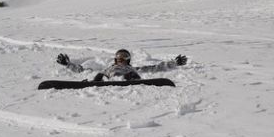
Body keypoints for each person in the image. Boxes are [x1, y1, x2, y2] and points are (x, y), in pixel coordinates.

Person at [56, 49, 187, 81]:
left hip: (129, 77)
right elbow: (83, 70)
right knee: (98, 74)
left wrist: (174, 63)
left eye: (124, 57)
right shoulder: (107, 68)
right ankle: (100, 81)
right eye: (119, 56)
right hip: (108, 77)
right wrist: (68, 64)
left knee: (132, 74)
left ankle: (129, 79)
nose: (121, 59)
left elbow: (155, 68)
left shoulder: (132, 68)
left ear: (128, 60)